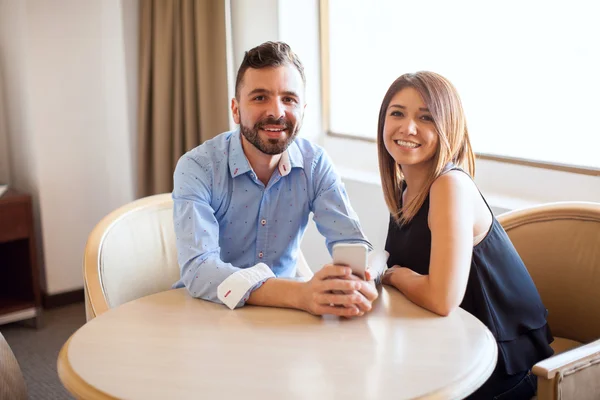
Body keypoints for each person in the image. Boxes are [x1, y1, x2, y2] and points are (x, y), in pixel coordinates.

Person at [378, 71, 554, 399]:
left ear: (448, 127)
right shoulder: (404, 190)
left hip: (500, 365)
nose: (408, 127)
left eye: (426, 117)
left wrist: (392, 275)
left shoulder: (449, 186)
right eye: (397, 113)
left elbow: (442, 299)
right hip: (450, 347)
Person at [171, 41, 378, 316]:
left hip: (284, 320)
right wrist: (300, 294)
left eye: (288, 99)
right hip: (209, 313)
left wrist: (355, 282)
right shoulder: (197, 167)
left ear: (303, 109)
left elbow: (351, 243)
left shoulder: (314, 165)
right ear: (235, 109)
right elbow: (199, 269)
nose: (277, 112)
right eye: (260, 97)